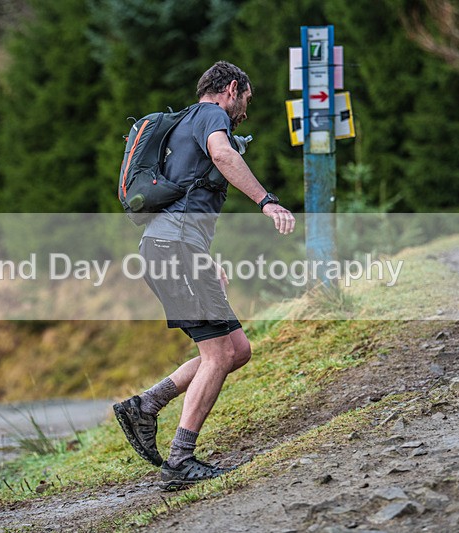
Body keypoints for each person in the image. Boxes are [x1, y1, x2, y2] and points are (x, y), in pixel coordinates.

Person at [113, 61, 295, 491]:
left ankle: (146, 405)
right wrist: (266, 200)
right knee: (217, 355)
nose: (244, 112)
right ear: (231, 89)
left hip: (176, 248)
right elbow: (223, 154)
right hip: (173, 250)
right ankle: (179, 461)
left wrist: (204, 256)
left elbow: (188, 197)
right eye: (246, 101)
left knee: (236, 348)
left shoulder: (185, 125)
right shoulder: (211, 115)